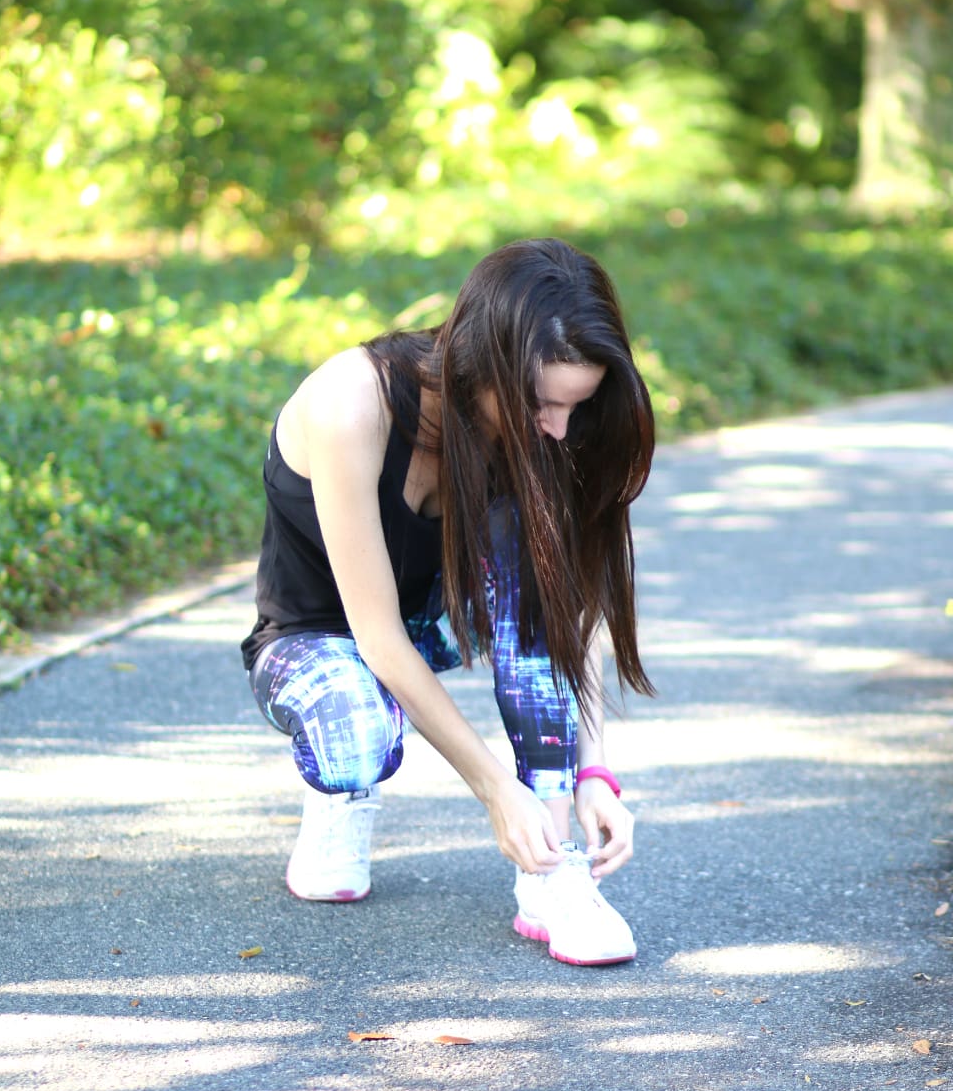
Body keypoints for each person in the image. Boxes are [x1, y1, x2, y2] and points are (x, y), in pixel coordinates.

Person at [242, 237, 656, 966]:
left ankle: (555, 868)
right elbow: (374, 636)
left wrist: (591, 773)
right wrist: (497, 791)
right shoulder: (353, 404)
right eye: (544, 404)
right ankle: (342, 797)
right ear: (483, 364)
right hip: (319, 636)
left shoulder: (543, 432)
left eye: (575, 406)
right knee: (355, 734)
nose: (559, 428)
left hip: (433, 624)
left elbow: (559, 617)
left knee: (531, 623)